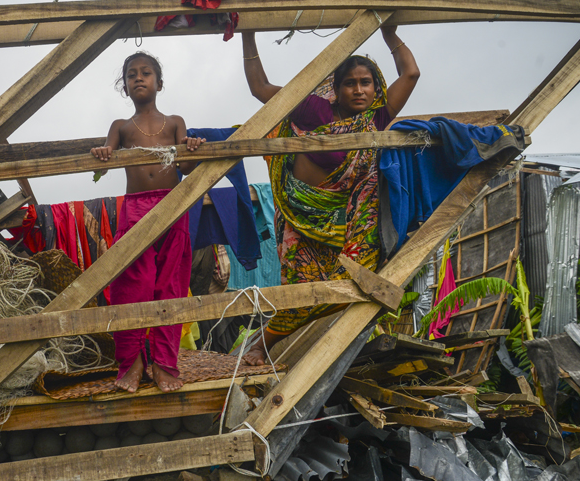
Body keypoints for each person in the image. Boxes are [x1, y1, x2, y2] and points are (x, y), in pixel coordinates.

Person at [239, 26, 420, 365]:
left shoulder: (376, 118)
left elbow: (411, 72)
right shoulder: (314, 111)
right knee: (302, 293)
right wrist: (248, 34)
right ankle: (261, 345)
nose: (359, 90)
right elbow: (260, 89)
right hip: (300, 219)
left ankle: (302, 349)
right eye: (350, 83)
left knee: (353, 284)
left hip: (346, 225)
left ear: (376, 87)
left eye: (366, 83)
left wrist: (390, 33)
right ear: (335, 90)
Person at [91, 52, 205, 392]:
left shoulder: (174, 122)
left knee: (170, 285)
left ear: (159, 82)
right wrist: (102, 153)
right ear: (124, 86)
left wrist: (193, 146)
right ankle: (133, 361)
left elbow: (186, 159)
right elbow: (105, 160)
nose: (138, 78)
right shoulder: (121, 127)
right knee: (132, 286)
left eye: (145, 73)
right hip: (136, 211)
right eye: (131, 75)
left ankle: (165, 363)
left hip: (172, 207)